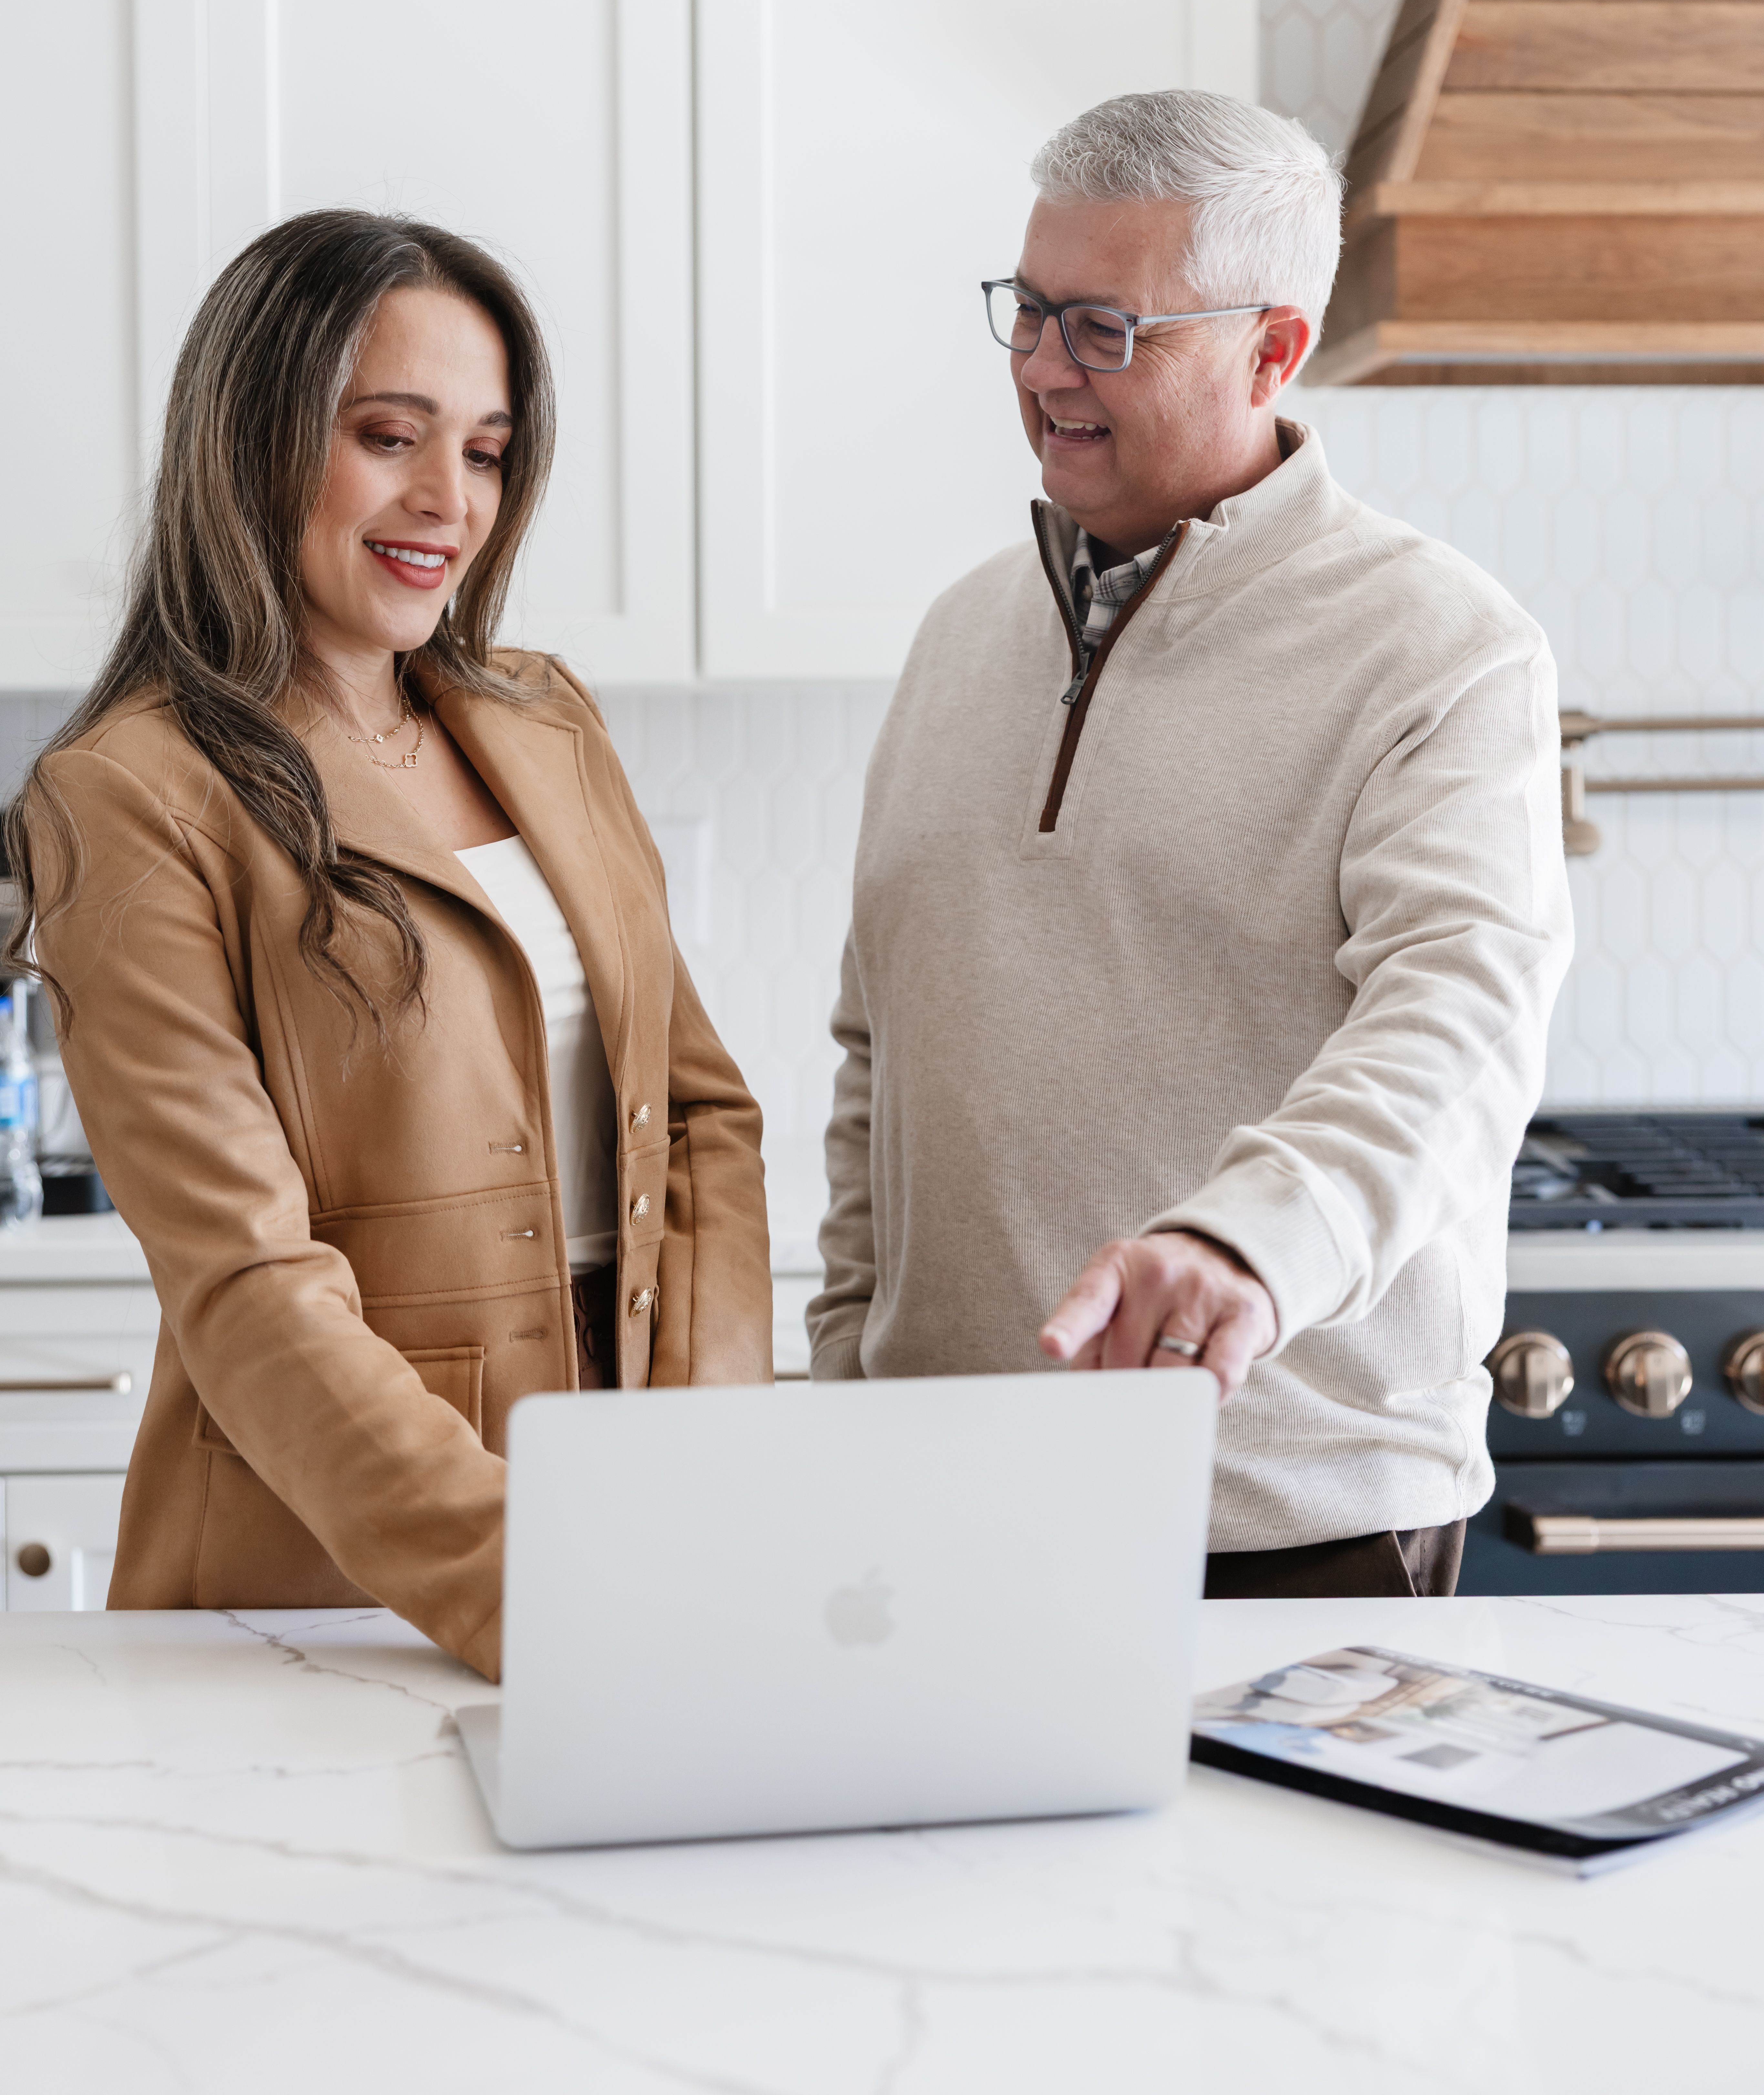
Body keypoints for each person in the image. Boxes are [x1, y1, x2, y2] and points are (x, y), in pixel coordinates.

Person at [807, 90, 1572, 1597]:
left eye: (1105, 330)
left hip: (1286, 1523)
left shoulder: (1443, 650)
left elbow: (1456, 1026)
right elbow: (876, 1049)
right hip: (935, 1500)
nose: (1042, 369)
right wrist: (845, 1365)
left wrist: (1247, 1248)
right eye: (1029, 312)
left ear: (1271, 350)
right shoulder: (959, 635)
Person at [4, 211, 771, 1676]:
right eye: (388, 436)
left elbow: (701, 1119)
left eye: (484, 452)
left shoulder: (546, 719)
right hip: (316, 1583)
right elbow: (247, 1282)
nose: (447, 500)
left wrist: (698, 1475)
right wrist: (539, 1587)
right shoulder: (127, 796)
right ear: (253, 439)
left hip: (635, 1535)